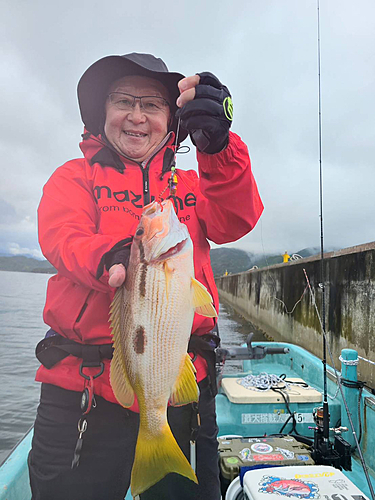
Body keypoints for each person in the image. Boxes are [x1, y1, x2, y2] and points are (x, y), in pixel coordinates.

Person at [28, 53, 263, 500]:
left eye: (152, 105)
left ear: (171, 120)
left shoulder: (195, 183)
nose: (136, 116)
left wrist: (219, 149)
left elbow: (239, 218)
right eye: (123, 101)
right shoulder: (73, 178)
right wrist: (116, 255)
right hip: (84, 391)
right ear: (103, 114)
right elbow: (63, 237)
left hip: (181, 390)